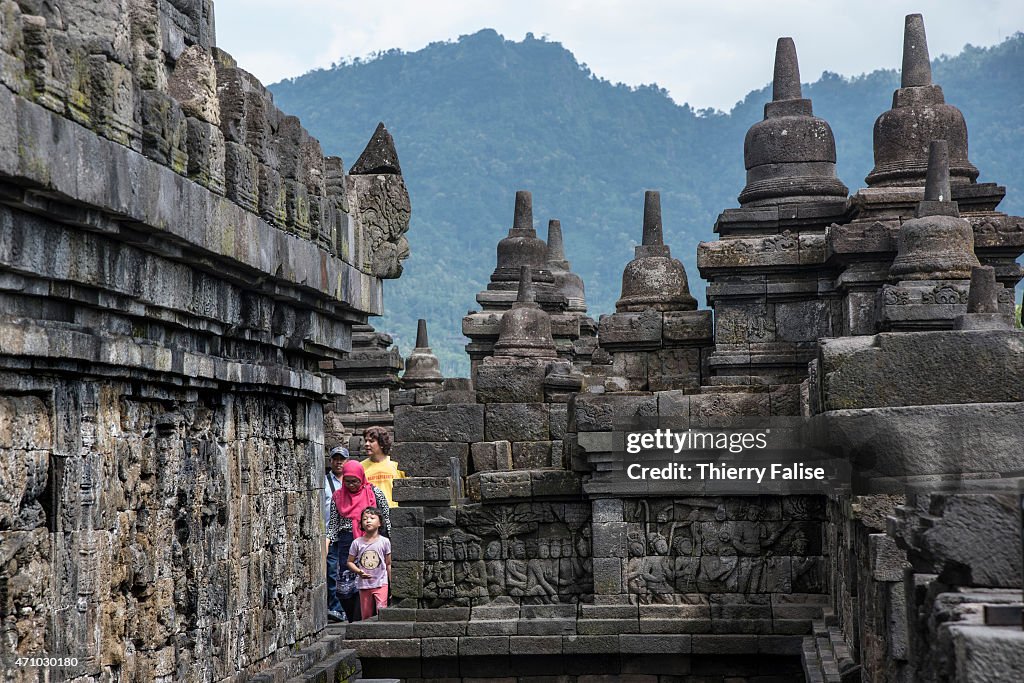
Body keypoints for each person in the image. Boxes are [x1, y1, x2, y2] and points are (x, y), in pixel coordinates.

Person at [347, 507, 391, 620]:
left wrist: (392, 583)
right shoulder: (357, 543)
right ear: (361, 523)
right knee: (366, 614)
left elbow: (388, 564)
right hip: (364, 584)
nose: (368, 520)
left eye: (372, 518)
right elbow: (349, 562)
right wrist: (358, 571)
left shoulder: (385, 542)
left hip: (381, 582)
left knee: (382, 610)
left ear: (380, 523)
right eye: (365, 519)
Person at [323, 446, 348, 622]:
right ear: (330, 460)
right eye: (336, 458)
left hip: (348, 532)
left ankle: (347, 607)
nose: (339, 462)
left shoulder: (352, 481)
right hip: (329, 533)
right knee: (332, 571)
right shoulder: (324, 482)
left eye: (342, 459)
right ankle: (336, 608)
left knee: (348, 571)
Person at [360, 426, 405, 508]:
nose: (366, 444)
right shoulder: (360, 467)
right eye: (366, 441)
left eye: (371, 441)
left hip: (395, 512)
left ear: (381, 443)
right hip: (371, 515)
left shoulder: (396, 465)